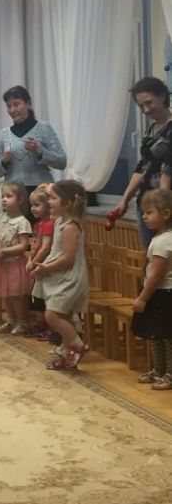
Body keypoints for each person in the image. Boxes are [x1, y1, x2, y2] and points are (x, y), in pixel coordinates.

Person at [31, 180, 90, 371]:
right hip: (60, 275)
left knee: (52, 314)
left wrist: (46, 268)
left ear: (68, 202)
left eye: (53, 198)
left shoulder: (70, 226)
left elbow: (68, 258)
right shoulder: (59, 222)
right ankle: (66, 356)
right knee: (63, 315)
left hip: (69, 277)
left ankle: (78, 346)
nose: (49, 201)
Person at [112, 77, 172, 248]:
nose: (145, 109)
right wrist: (125, 199)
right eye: (140, 106)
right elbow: (142, 167)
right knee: (151, 255)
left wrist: (161, 207)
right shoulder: (151, 129)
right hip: (146, 204)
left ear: (162, 97)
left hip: (164, 207)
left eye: (149, 102)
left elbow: (167, 170)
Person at [0, 86, 67, 211]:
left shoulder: (44, 128)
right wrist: (4, 161)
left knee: (42, 225)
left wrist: (40, 151)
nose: (12, 110)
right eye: (9, 106)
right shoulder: (4, 134)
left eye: (16, 104)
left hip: (41, 194)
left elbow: (62, 162)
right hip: (13, 196)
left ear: (28, 104)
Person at [132, 189, 172, 390]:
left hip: (164, 294)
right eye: (143, 213)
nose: (144, 217)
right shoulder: (159, 238)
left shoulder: (165, 241)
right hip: (158, 293)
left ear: (165, 214)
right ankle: (158, 370)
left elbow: (157, 275)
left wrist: (142, 298)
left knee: (167, 336)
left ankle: (170, 373)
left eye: (149, 212)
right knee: (155, 335)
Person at [0, 182, 33, 335]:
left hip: (15, 264)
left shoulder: (22, 222)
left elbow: (23, 245)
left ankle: (22, 322)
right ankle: (11, 320)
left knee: (16, 296)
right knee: (5, 294)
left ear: (20, 200)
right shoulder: (1, 218)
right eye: (3, 196)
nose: (4, 199)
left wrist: (4, 251)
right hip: (1, 264)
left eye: (9, 196)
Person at [25, 184, 55, 339]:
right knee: (37, 296)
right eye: (32, 205)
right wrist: (30, 259)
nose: (33, 208)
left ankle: (49, 327)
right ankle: (40, 324)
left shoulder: (49, 224)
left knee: (44, 297)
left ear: (48, 206)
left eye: (37, 205)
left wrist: (34, 261)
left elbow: (46, 247)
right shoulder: (37, 224)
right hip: (37, 265)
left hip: (45, 266)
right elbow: (34, 245)